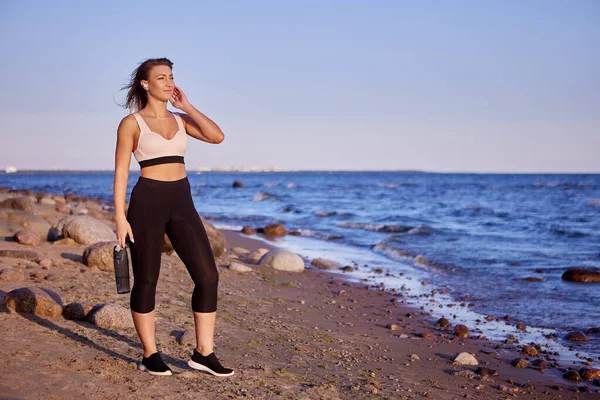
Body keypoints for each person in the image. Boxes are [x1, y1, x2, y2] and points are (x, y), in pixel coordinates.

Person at [113, 57, 233, 377]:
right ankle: (150, 354)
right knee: (147, 280)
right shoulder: (131, 124)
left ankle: (203, 353)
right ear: (145, 84)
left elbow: (217, 136)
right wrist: (120, 218)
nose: (169, 83)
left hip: (182, 200)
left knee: (208, 276)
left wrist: (189, 106)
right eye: (162, 78)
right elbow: (121, 173)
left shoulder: (181, 119)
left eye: (171, 77)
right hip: (146, 201)